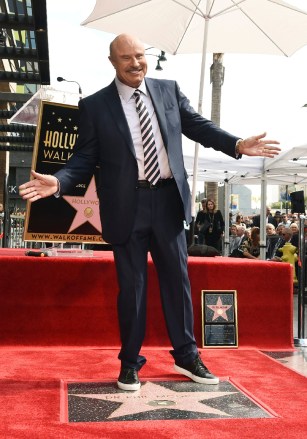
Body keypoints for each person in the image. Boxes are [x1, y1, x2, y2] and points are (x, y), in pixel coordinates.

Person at [19, 33, 280, 392]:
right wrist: (60, 182)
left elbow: (199, 126)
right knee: (133, 288)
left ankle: (188, 357)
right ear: (113, 62)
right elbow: (83, 159)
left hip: (168, 201)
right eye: (126, 58)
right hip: (126, 207)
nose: (135, 63)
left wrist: (236, 144)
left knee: (178, 280)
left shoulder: (168, 90)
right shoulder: (95, 105)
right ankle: (130, 363)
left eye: (140, 55)